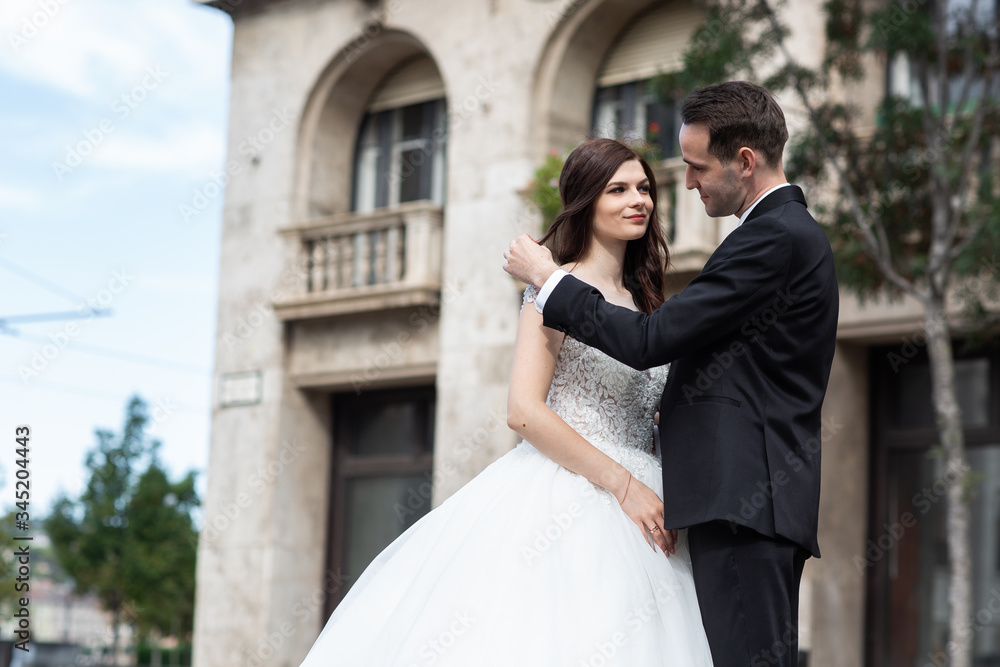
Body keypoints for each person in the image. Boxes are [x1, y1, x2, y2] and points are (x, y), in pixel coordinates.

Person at [297, 138, 713, 666]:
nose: (640, 200)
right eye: (619, 189)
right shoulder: (550, 292)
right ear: (586, 200)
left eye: (644, 188)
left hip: (653, 500)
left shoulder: (648, 302)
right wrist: (623, 485)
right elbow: (523, 411)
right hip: (575, 493)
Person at [503, 81, 839, 667]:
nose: (683, 184)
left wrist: (547, 277)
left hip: (739, 503)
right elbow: (524, 409)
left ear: (745, 161)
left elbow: (650, 342)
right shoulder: (775, 234)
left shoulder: (774, 237)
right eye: (620, 188)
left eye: (694, 166)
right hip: (705, 502)